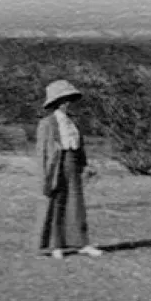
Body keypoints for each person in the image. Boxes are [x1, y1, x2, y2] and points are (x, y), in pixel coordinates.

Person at [36, 79, 102, 260]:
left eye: (69, 100)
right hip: (56, 166)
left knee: (76, 204)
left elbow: (80, 147)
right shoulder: (47, 124)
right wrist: (45, 176)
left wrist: (85, 165)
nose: (67, 103)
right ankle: (56, 245)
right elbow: (42, 152)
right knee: (56, 204)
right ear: (56, 102)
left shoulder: (73, 123)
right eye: (63, 100)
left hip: (73, 165)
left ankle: (82, 243)